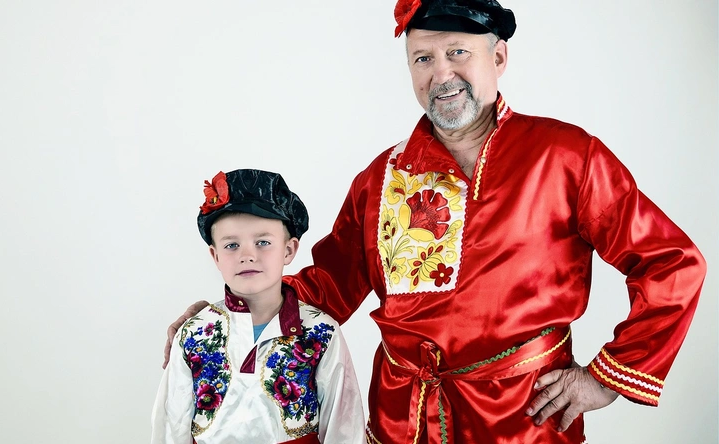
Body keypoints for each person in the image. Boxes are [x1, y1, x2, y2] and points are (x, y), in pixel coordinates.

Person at [162, 1, 707, 442]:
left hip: (522, 421)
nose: (441, 74)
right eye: (422, 58)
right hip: (402, 419)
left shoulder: (566, 156)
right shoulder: (382, 177)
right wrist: (231, 313)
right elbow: (328, 285)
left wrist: (604, 379)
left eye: (457, 52)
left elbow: (672, 263)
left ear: (499, 57)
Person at [152, 169, 365, 444]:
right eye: (232, 245)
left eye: (263, 242)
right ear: (215, 256)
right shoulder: (194, 333)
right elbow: (171, 427)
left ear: (288, 250)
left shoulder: (320, 332)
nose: (247, 255)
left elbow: (344, 427)